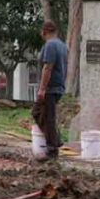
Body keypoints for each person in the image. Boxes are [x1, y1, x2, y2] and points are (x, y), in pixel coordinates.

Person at [32, 21, 67, 160]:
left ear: (44, 32)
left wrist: (42, 89)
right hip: (58, 86)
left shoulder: (50, 45)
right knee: (46, 116)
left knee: (44, 115)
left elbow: (48, 67)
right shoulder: (62, 45)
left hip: (50, 88)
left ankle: (53, 149)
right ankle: (55, 140)